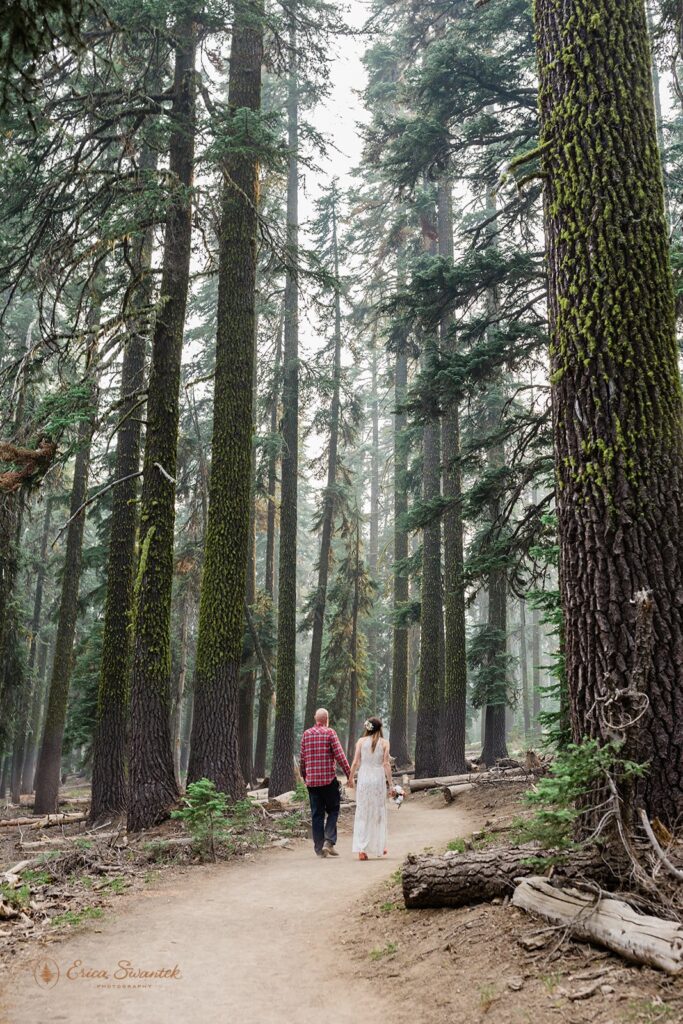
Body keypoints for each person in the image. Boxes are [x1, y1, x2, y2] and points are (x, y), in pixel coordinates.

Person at [299, 708, 351, 858]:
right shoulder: (330, 733)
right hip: (328, 781)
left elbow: (302, 758)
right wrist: (349, 774)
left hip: (312, 783)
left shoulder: (306, 735)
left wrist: (305, 776)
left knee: (317, 814)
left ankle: (319, 848)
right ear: (327, 720)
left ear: (316, 720)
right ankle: (329, 841)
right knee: (333, 809)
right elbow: (340, 756)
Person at [347, 717, 395, 860]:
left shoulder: (361, 742)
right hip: (378, 778)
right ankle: (380, 846)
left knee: (363, 811)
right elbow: (386, 764)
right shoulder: (385, 743)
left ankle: (362, 849)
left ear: (367, 728)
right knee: (378, 811)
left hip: (364, 777)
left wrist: (350, 778)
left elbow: (355, 762)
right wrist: (391, 784)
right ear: (380, 729)